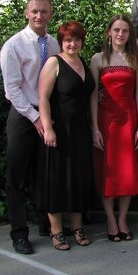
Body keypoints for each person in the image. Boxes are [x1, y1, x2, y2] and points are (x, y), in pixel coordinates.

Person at [0, 0, 60, 254]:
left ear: (50, 14)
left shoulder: (54, 43)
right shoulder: (13, 46)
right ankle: (19, 233)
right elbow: (12, 90)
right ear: (26, 13)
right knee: (17, 176)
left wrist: (46, 117)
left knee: (43, 173)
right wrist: (35, 117)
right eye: (34, 11)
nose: (39, 16)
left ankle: (45, 224)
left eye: (44, 12)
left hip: (45, 115)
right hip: (23, 116)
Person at [36, 21, 94, 251]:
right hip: (59, 130)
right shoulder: (54, 62)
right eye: (68, 40)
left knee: (77, 178)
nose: (73, 43)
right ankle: (57, 230)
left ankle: (77, 227)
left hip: (80, 130)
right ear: (61, 42)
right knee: (57, 180)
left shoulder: (83, 62)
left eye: (77, 39)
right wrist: (48, 128)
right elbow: (42, 97)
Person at [90, 15, 138, 242]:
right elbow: (93, 96)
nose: (120, 34)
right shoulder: (97, 59)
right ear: (109, 32)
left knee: (127, 171)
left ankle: (122, 218)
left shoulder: (137, 59)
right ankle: (110, 219)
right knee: (108, 172)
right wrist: (94, 127)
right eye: (116, 30)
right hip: (106, 121)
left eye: (125, 30)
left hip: (129, 120)